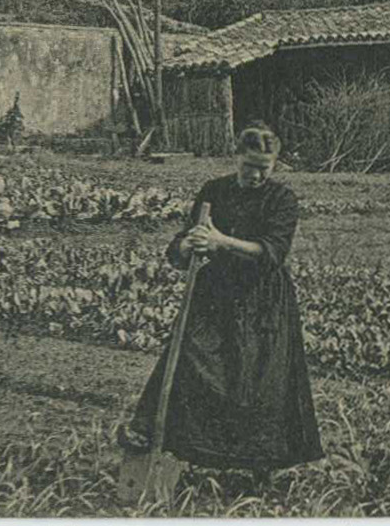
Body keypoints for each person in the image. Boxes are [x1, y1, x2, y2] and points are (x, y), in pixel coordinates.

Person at [119, 122, 324, 476]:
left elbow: (272, 252)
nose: (257, 175)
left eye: (265, 167)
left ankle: (259, 465)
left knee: (259, 382)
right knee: (188, 359)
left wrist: (220, 242)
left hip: (263, 301)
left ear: (275, 164)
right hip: (215, 294)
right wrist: (187, 244)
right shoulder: (214, 191)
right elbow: (183, 244)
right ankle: (155, 437)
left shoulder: (282, 200)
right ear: (237, 157)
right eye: (250, 166)